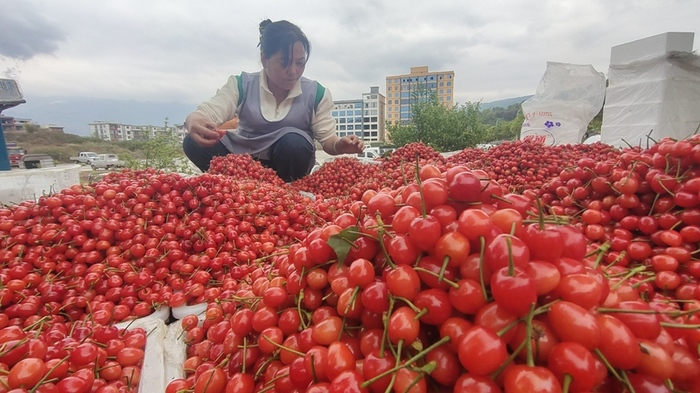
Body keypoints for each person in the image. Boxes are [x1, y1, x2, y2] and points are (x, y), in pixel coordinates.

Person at [183, 19, 364, 182]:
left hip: (287, 165)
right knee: (193, 141)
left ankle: (285, 193)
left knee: (294, 143)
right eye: (284, 62)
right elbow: (212, 111)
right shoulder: (242, 84)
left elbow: (327, 140)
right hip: (242, 164)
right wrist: (195, 119)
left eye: (300, 63)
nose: (293, 71)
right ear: (264, 59)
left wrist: (339, 145)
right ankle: (235, 187)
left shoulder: (316, 93)